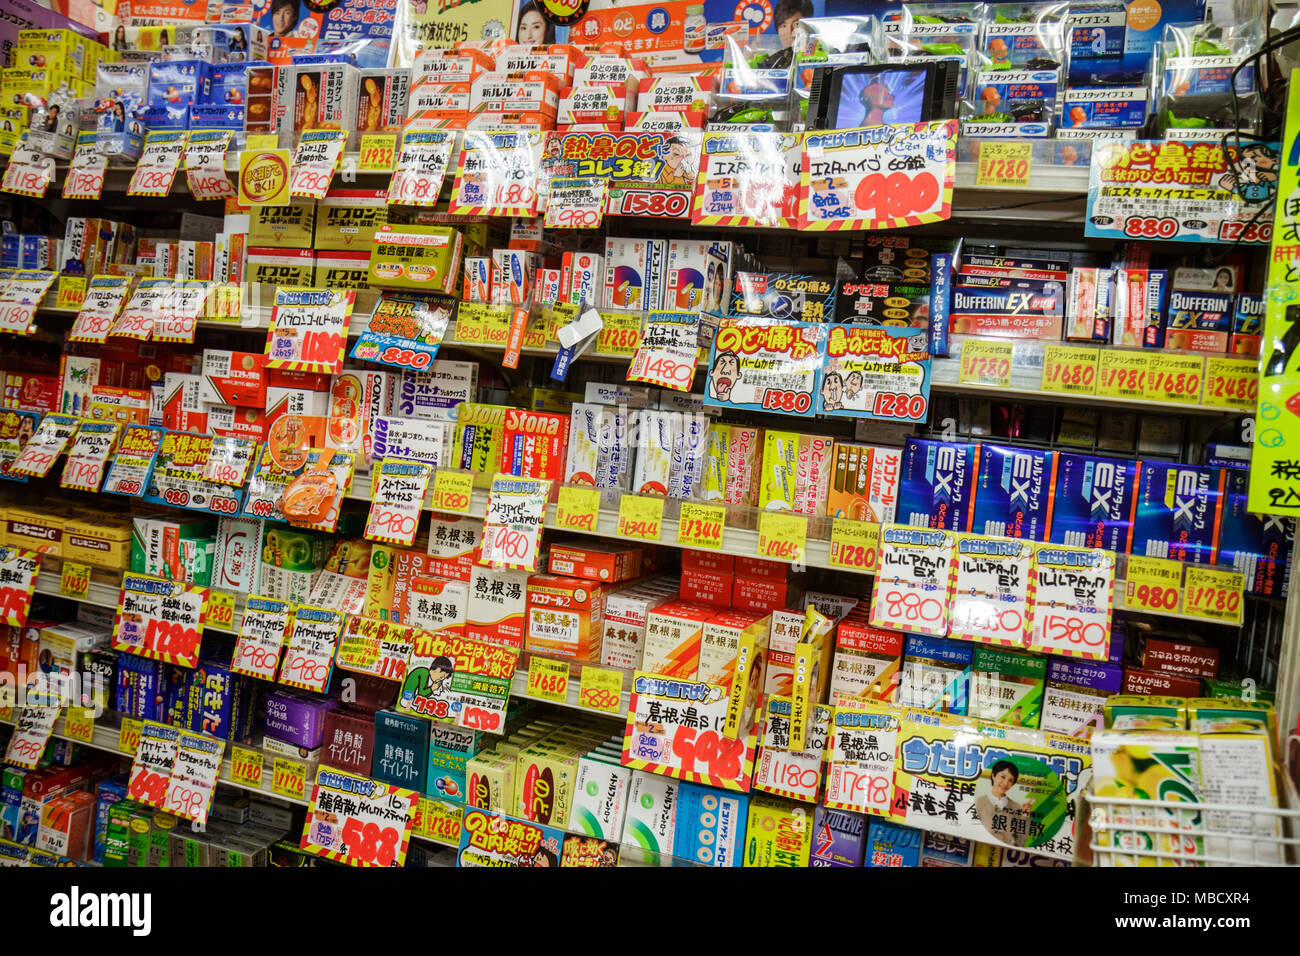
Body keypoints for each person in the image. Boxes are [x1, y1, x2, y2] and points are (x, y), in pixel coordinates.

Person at [974, 759, 1033, 847]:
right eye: (1003, 777)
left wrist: (1025, 816)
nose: (1006, 783)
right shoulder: (978, 802)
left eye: (1011, 780)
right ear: (993, 775)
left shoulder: (1016, 807)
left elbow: (1021, 841)